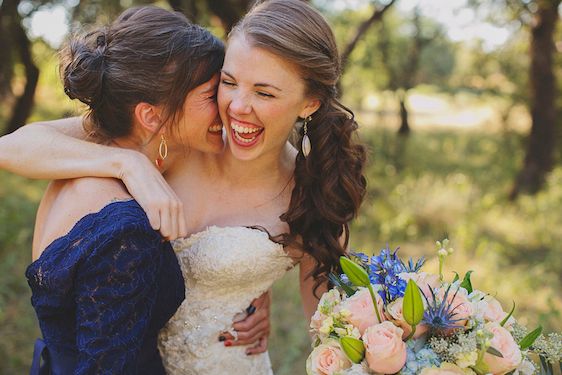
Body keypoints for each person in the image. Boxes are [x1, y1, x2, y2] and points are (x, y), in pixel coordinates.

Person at [0, 0, 367, 374]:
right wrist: (128, 164)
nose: (238, 106)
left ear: (310, 103)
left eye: (265, 93)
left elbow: (333, 337)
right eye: (228, 82)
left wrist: (255, 283)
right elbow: (12, 147)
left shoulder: (313, 196)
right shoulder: (178, 136)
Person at [8, 6, 269, 374]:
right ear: (150, 115)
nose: (227, 110)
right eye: (212, 95)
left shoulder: (71, 172)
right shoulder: (125, 231)